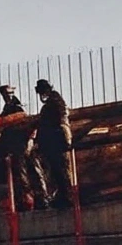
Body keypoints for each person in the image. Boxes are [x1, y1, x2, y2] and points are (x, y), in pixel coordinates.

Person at [0, 85, 43, 211]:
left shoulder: (16, 107)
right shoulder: (9, 107)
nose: (6, 97)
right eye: (4, 94)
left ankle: (26, 197)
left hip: (16, 144)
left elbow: (19, 125)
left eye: (7, 94)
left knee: (20, 170)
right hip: (9, 143)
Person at [33, 78, 76, 208]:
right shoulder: (54, 102)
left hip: (56, 142)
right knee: (58, 171)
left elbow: (56, 121)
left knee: (60, 171)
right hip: (54, 142)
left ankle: (66, 197)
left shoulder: (54, 102)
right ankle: (63, 196)